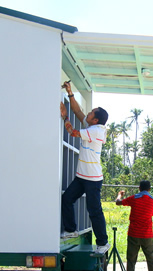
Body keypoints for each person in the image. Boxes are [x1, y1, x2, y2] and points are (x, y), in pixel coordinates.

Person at [59, 81, 110, 254]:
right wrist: (70, 93)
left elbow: (72, 132)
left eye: (91, 113)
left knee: (94, 210)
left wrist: (64, 116)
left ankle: (103, 243)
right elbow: (78, 111)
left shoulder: (96, 131)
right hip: (83, 176)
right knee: (67, 199)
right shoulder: (92, 126)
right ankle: (71, 229)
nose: (87, 113)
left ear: (95, 120)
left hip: (93, 179)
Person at [115, 181, 153, 271]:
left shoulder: (134, 198)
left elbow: (118, 203)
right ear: (149, 189)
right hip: (147, 235)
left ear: (139, 188)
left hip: (134, 234)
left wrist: (120, 195)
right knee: (151, 260)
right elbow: (152, 214)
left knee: (131, 260)